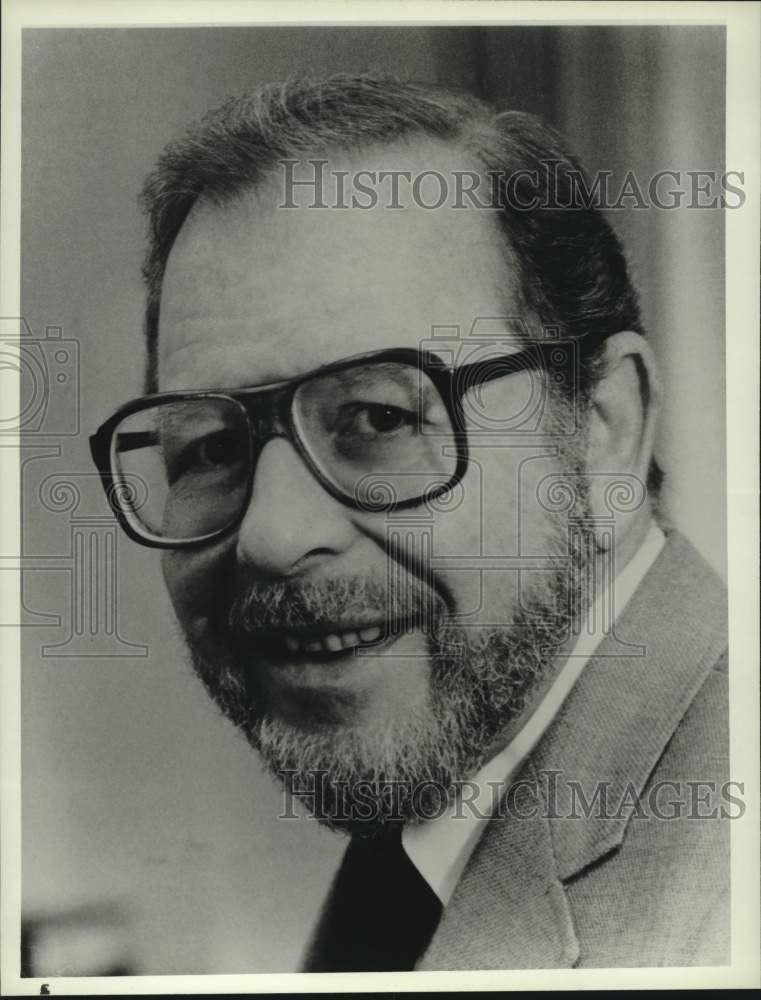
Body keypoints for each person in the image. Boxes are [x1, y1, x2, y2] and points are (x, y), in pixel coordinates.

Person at [90, 75, 730, 971]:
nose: (271, 537)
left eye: (379, 419)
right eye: (213, 447)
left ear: (601, 429)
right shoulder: (426, 839)